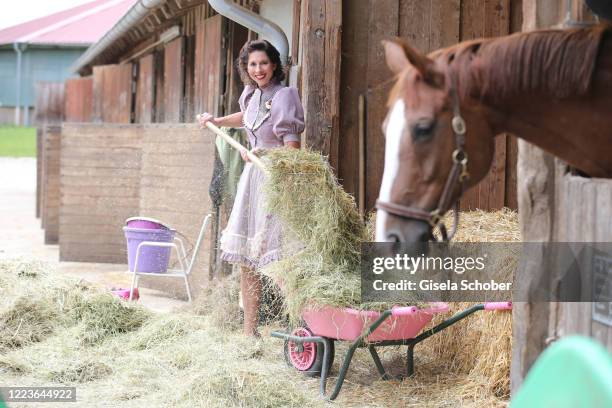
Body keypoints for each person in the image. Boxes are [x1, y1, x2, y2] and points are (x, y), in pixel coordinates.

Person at [198, 40, 304, 336]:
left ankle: (302, 330)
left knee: (278, 259)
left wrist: (263, 154)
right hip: (251, 181)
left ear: (274, 65)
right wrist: (216, 120)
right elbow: (245, 118)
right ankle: (249, 332)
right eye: (252, 64)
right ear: (246, 68)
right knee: (247, 260)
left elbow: (293, 151)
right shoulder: (251, 95)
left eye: (264, 63)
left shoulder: (284, 97)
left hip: (275, 179)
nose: (258, 70)